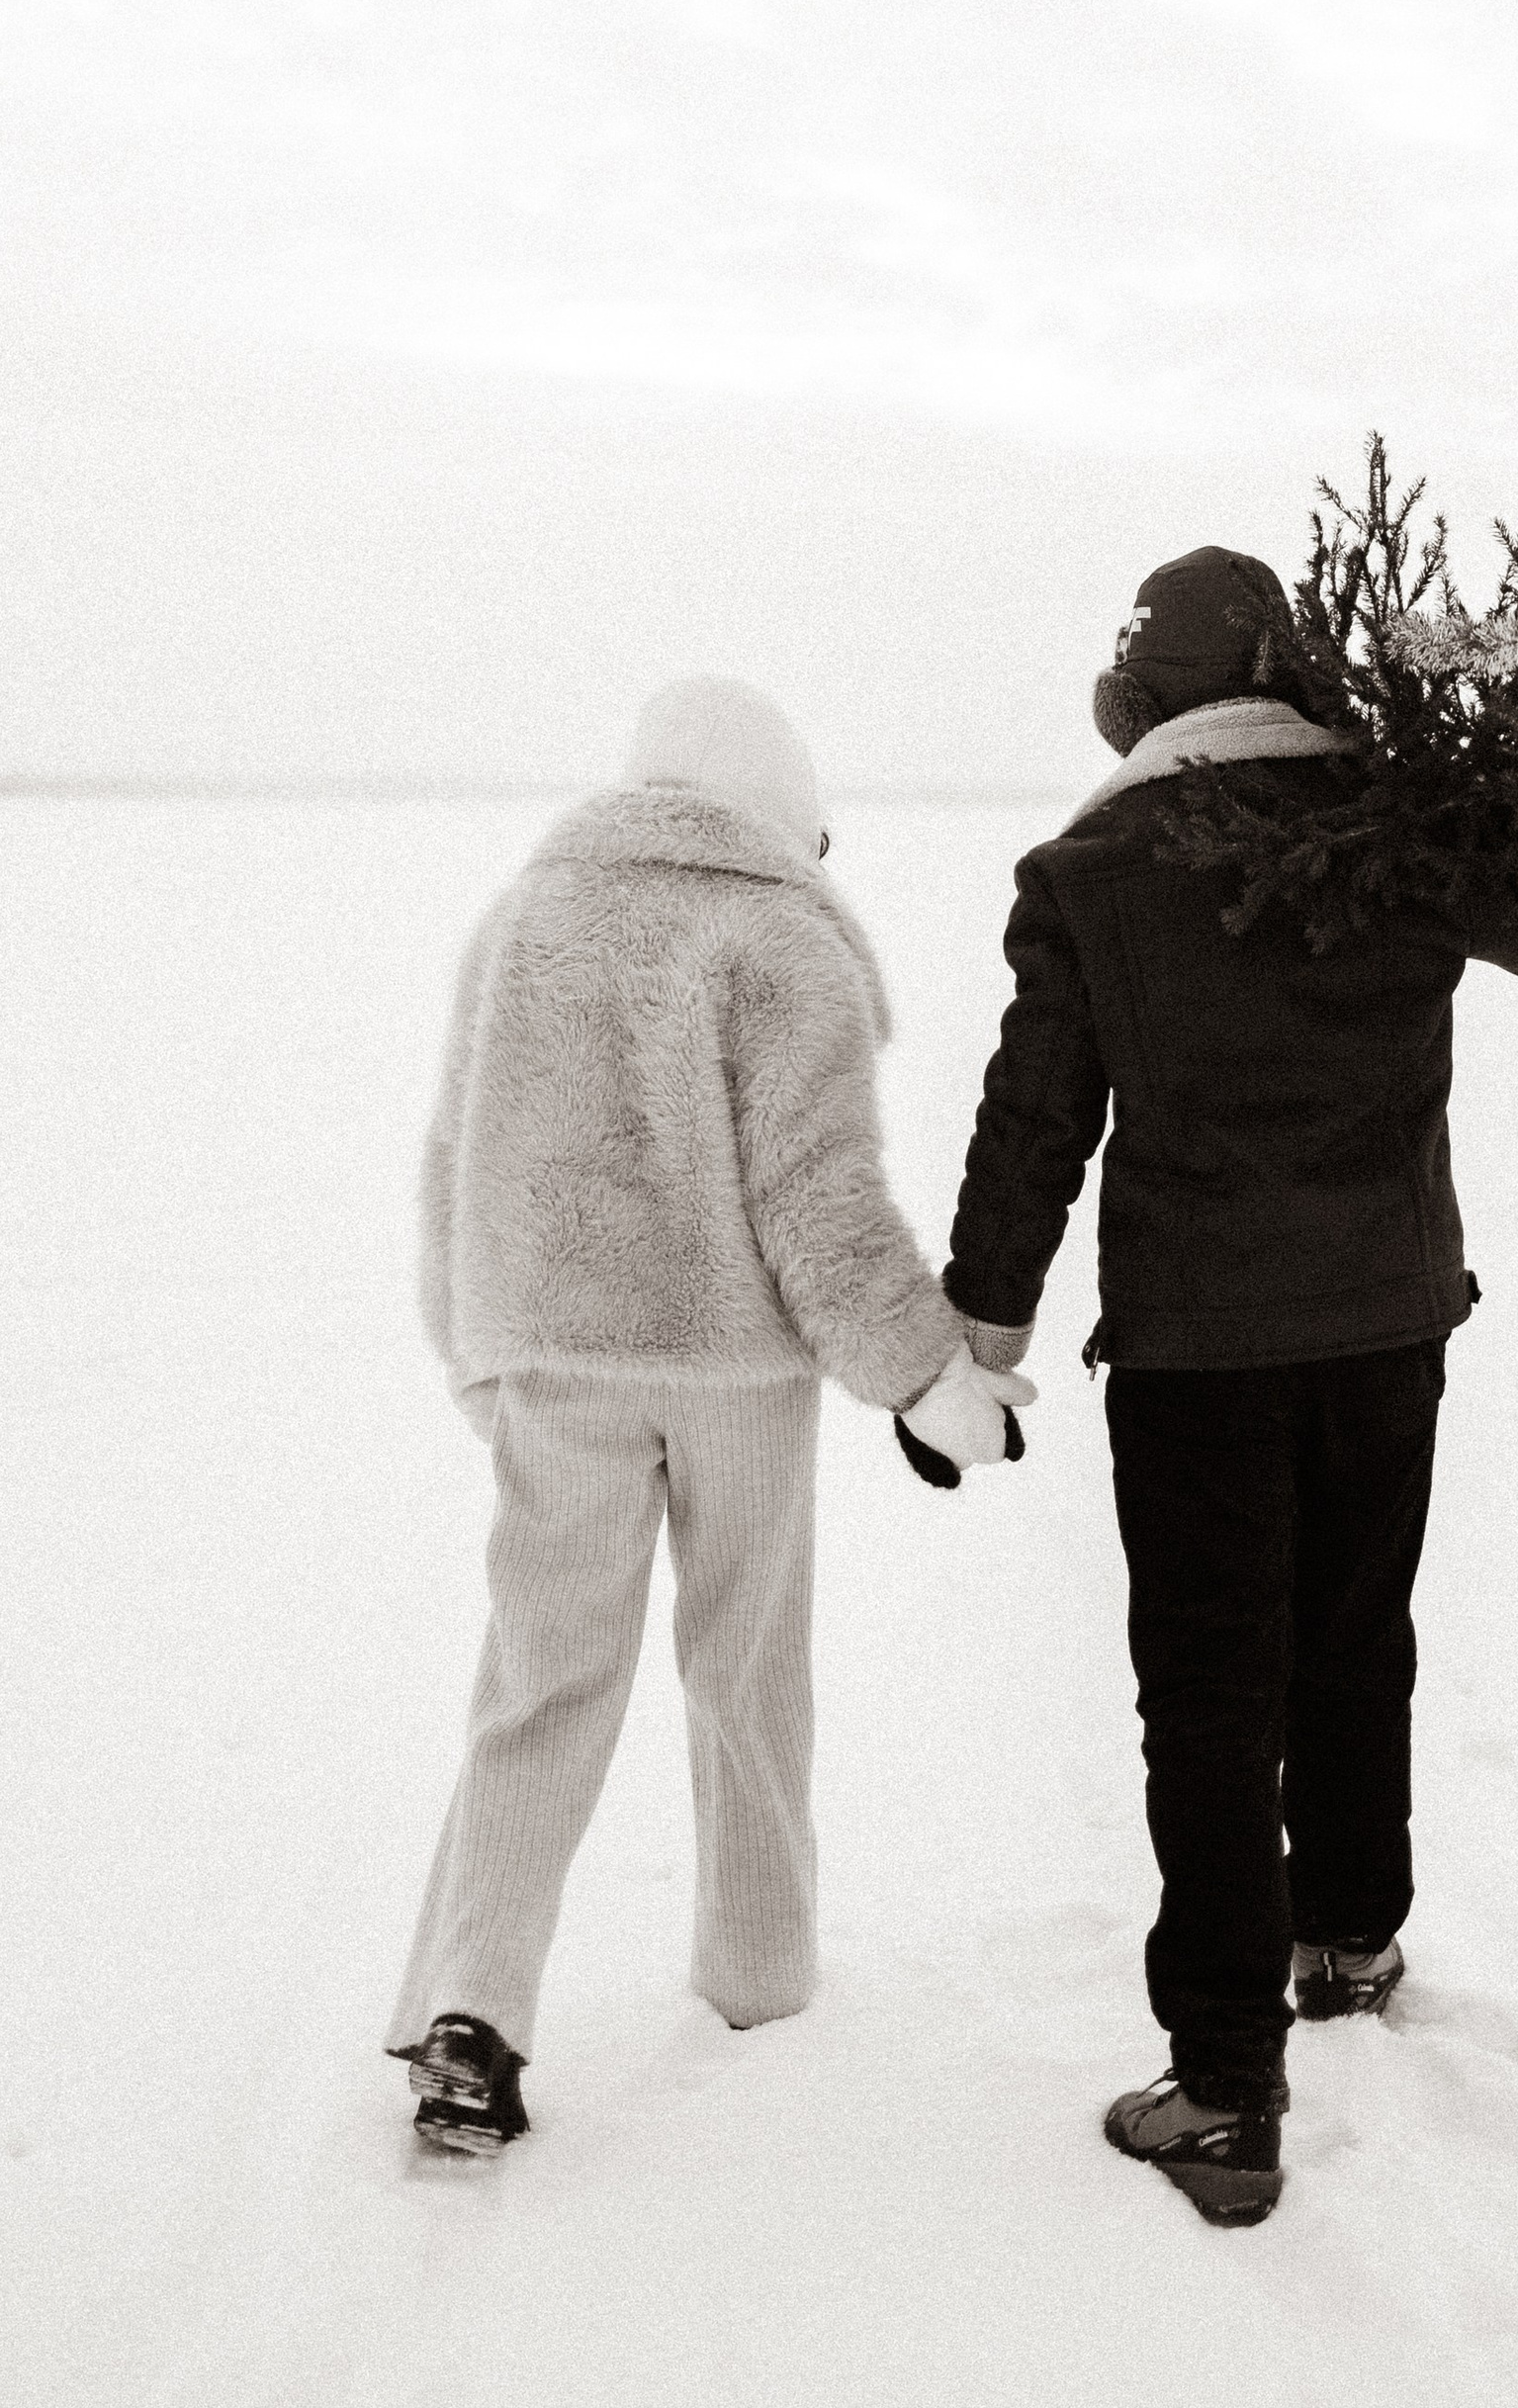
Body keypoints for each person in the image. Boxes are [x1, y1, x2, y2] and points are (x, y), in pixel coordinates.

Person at [942, 547, 1518, 2227]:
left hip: (1200, 1357)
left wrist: (976, 1335)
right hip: (1387, 1326)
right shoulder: (1398, 828)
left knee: (1213, 1703)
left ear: (1142, 698)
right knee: (1358, 1637)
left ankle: (1223, 2091)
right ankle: (1350, 1937)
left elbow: (1035, 1124)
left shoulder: (1095, 866)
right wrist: (1506, 777)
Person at [387, 674, 1033, 2157]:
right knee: (746, 1669)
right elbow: (820, 1200)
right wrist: (926, 1378)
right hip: (736, 1372)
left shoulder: (523, 923)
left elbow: (453, 1160)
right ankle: (759, 1987)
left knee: (542, 1686)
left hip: (557, 1361)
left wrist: (475, 1350)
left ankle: (471, 2013)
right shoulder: (780, 935)